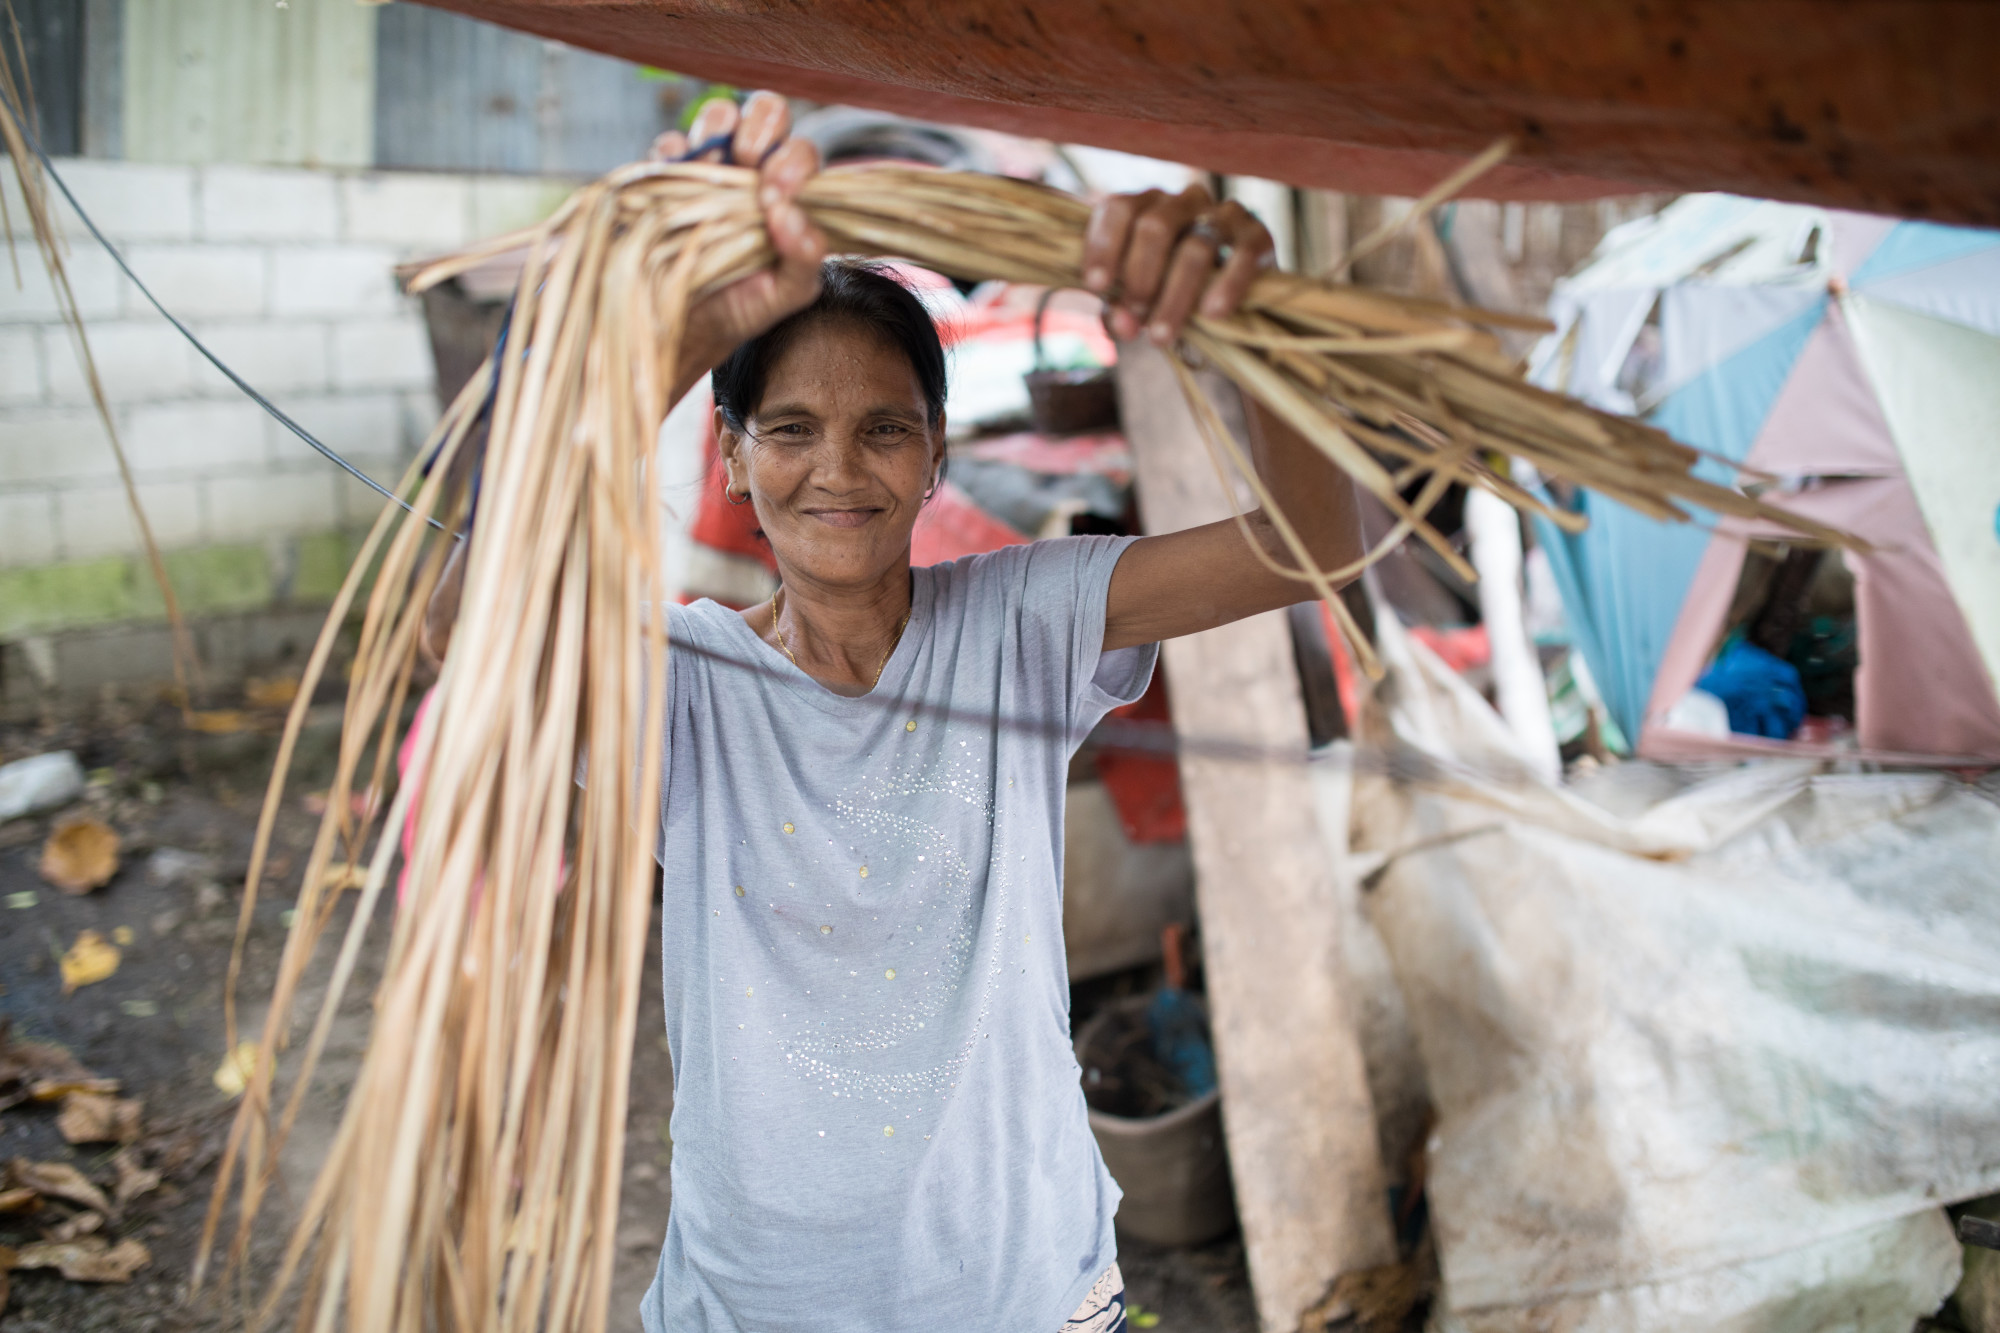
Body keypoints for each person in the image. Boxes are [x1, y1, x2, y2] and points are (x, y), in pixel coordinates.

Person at [446, 89, 1362, 1333]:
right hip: (756, 1301)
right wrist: (674, 332)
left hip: (1017, 1288)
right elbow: (472, 625)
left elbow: (1308, 547)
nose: (836, 469)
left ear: (936, 454)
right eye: (789, 429)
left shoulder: (1020, 622)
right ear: (729, 456)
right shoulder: (687, 682)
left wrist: (1244, 328)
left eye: (883, 430)